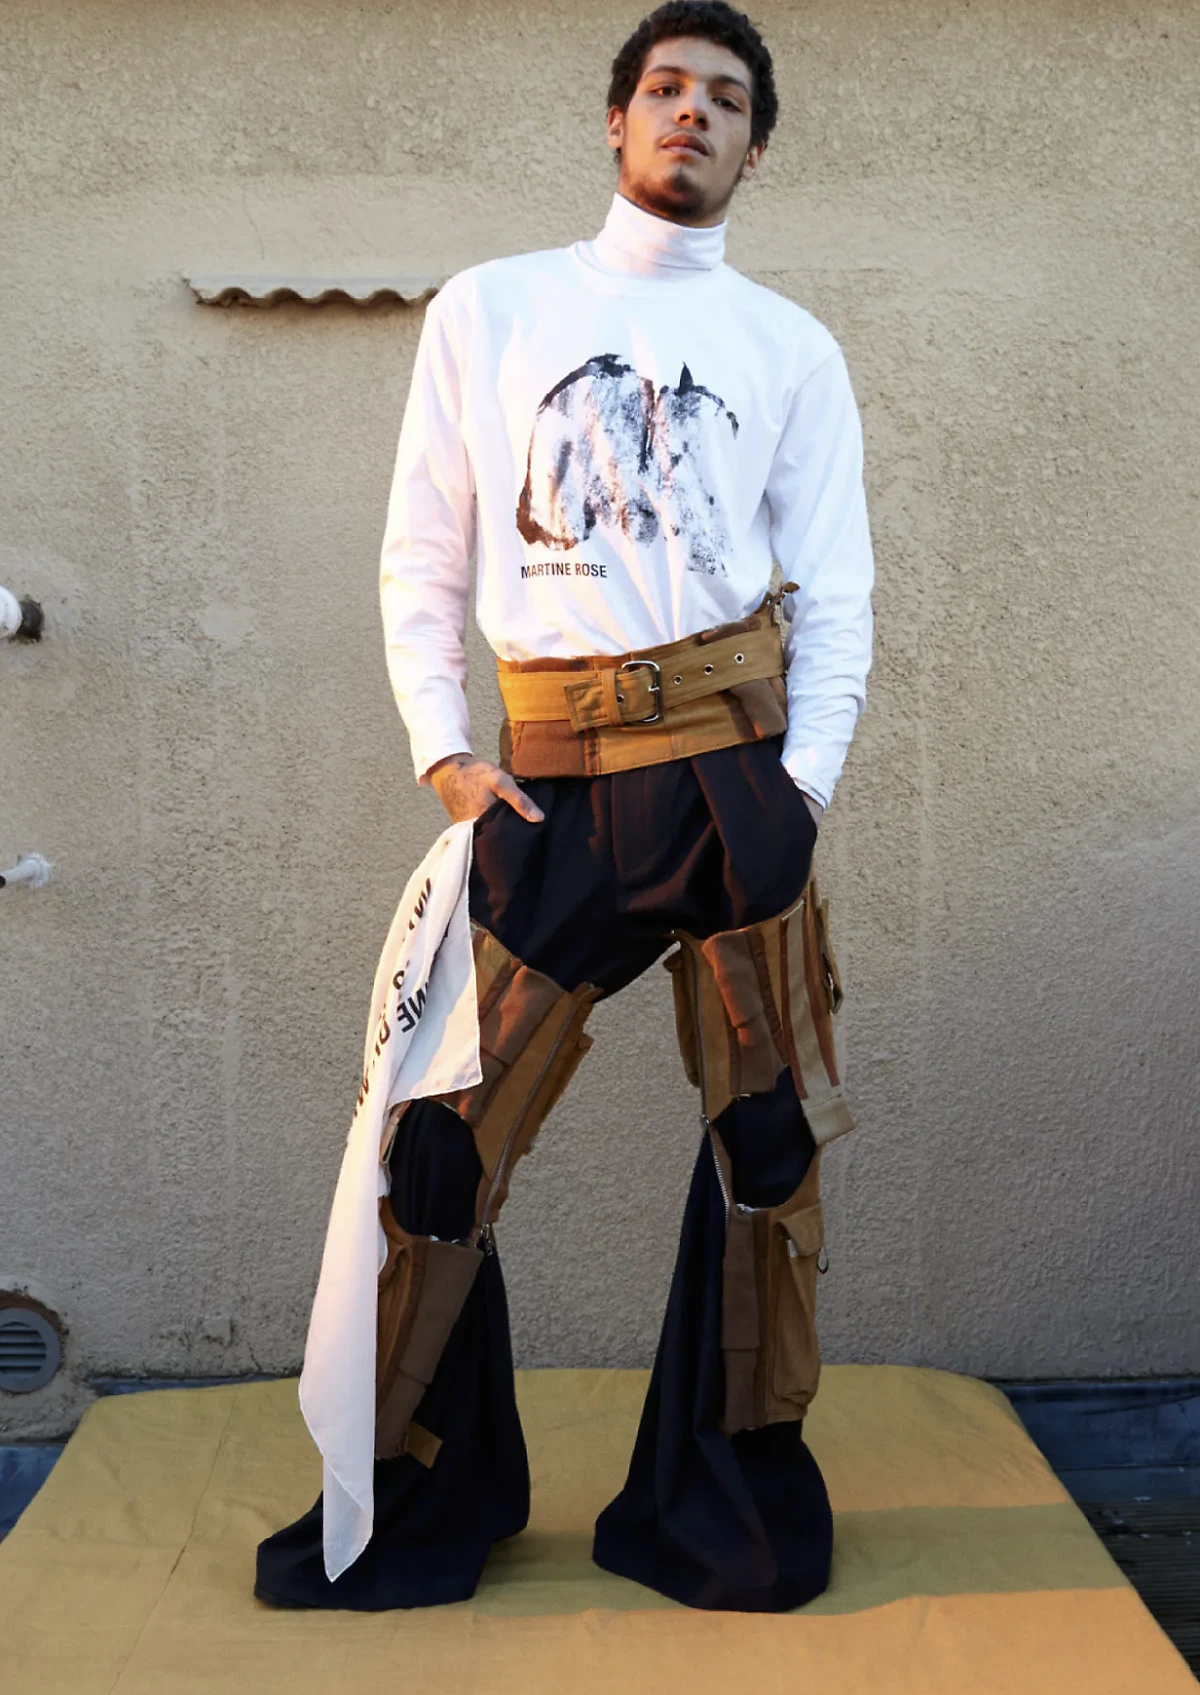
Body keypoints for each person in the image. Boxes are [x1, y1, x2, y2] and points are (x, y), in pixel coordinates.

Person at [256, 0, 874, 1615]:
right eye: (666, 88)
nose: (693, 113)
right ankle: (418, 1492)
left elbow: (839, 588)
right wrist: (443, 748)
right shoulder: (494, 307)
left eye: (725, 97)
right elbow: (423, 549)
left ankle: (730, 1503)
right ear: (618, 121)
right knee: (438, 1149)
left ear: (756, 145)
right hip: (549, 795)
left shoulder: (791, 347)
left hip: (734, 783)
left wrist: (802, 787)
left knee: (768, 1148)